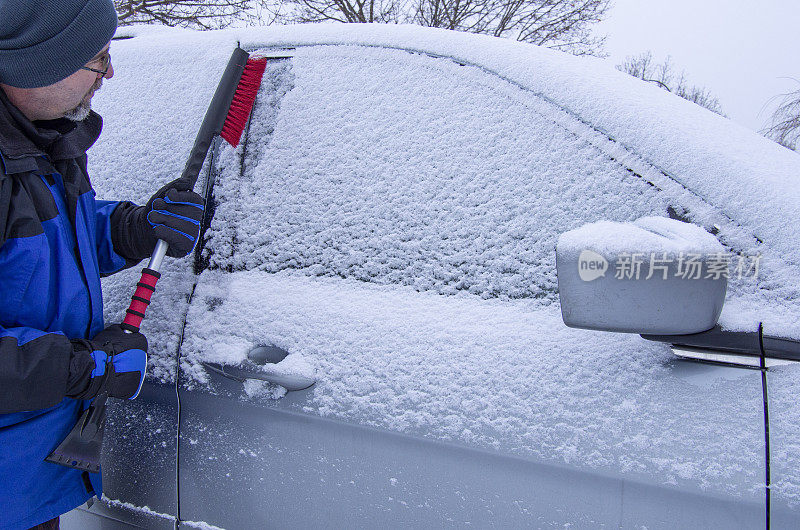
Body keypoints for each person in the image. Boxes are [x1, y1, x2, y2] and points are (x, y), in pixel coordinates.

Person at [0, 1, 205, 528]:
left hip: (22, 484)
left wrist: (134, 228)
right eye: (96, 57)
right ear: (35, 62)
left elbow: (44, 241)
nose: (109, 73)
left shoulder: (40, 139)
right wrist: (83, 367)